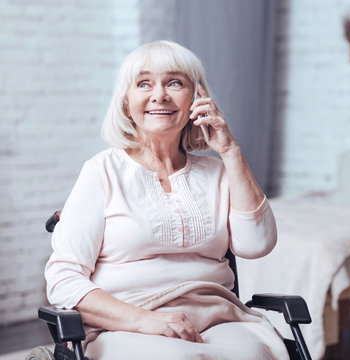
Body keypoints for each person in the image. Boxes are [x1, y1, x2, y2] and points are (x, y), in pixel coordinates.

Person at [45, 40, 288, 359]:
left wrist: (230, 151)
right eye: (144, 83)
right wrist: (144, 320)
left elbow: (257, 244)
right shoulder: (102, 171)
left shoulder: (218, 171)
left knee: (257, 353)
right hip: (125, 323)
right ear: (126, 102)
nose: (159, 95)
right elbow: (63, 280)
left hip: (219, 317)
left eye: (175, 83)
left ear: (198, 99)